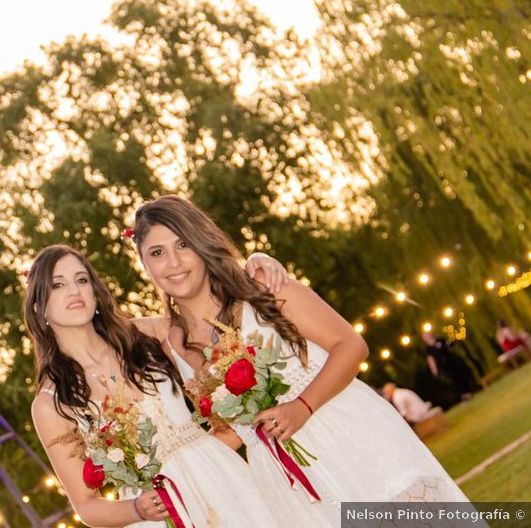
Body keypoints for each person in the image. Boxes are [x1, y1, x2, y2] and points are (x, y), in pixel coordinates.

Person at [129, 195, 470, 526]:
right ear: (145, 265)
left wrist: (303, 406)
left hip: (346, 434)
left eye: (183, 244)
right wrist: (176, 475)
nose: (173, 262)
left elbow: (350, 345)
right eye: (157, 253)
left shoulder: (263, 287)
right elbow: (231, 430)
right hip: (284, 478)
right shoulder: (172, 344)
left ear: (201, 242)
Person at [25, 244, 280, 527]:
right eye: (58, 285)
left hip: (223, 479)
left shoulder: (147, 334)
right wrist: (137, 509)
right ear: (39, 307)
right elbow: (87, 507)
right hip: (158, 515)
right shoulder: (52, 403)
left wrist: (254, 265)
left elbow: (218, 315)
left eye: (81, 280)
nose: (74, 290)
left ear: (95, 292)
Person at [423, 331, 476, 402]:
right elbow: (431, 360)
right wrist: (434, 371)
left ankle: (468, 391)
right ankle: (463, 395)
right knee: (454, 380)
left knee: (461, 375)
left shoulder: (440, 340)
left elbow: (449, 347)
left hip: (452, 361)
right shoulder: (428, 349)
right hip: (444, 366)